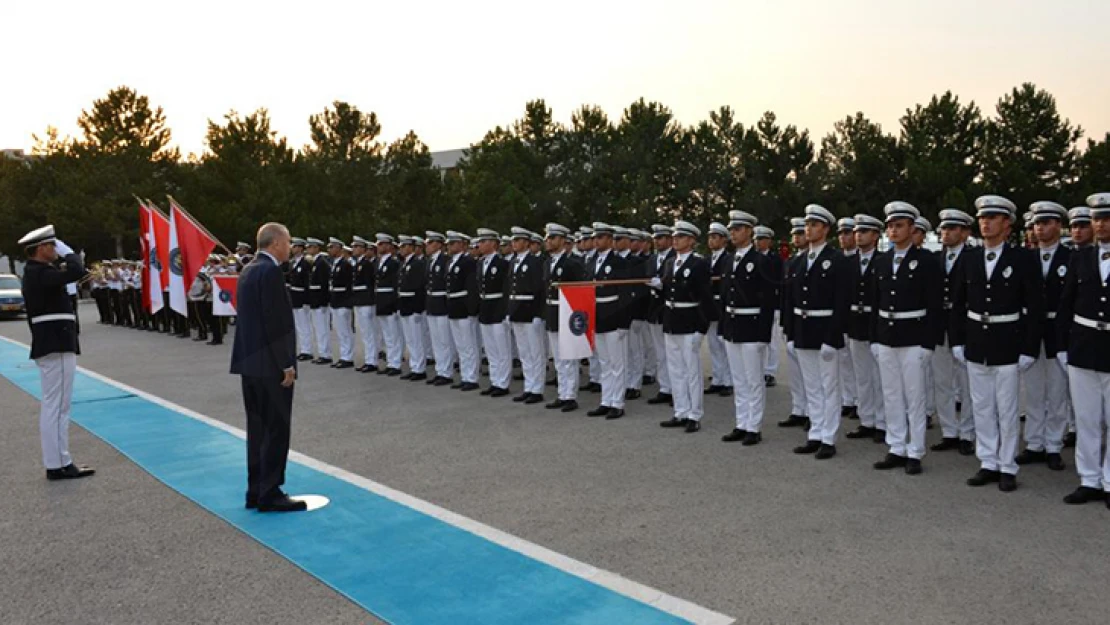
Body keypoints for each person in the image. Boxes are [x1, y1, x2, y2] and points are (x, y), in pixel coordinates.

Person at [951, 195, 1043, 493]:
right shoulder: (970, 258)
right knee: (982, 406)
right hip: (977, 340)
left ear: (1007, 224)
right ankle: (987, 461)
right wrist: (957, 340)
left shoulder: (1023, 259)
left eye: (993, 218)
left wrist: (1029, 348)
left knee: (1007, 407)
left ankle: (1007, 465)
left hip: (1007, 342)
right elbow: (958, 304)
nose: (986, 223)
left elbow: (1035, 307)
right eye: (982, 218)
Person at [230, 223, 305, 513]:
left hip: (250, 363)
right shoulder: (271, 272)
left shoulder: (248, 269)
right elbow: (275, 323)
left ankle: (256, 488)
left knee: (258, 428)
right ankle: (270, 491)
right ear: (275, 244)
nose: (289, 247)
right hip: (270, 365)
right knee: (276, 428)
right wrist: (286, 363)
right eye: (287, 242)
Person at [869, 202, 943, 476]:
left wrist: (928, 343)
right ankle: (896, 446)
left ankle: (915, 450)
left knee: (915, 397)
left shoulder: (927, 261)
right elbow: (876, 303)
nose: (893, 230)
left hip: (913, 337)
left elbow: (934, 305)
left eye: (899, 225)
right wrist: (874, 338)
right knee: (891, 394)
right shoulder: (882, 261)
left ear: (912, 229)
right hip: (887, 337)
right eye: (890, 226)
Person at [19, 225, 94, 480]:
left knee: (57, 404)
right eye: (52, 246)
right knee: (57, 405)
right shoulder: (38, 272)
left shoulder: (40, 272)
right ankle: (58, 463)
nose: (55, 251)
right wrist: (69, 251)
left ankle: (59, 461)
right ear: (41, 248)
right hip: (56, 343)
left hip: (54, 341)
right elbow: (76, 270)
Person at [782, 205, 850, 459]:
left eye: (814, 225)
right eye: (807, 224)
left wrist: (833, 337)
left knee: (829, 387)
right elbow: (790, 300)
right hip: (803, 330)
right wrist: (790, 333)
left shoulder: (837, 260)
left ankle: (828, 438)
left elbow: (841, 302)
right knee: (812, 386)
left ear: (825, 229)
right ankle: (816, 432)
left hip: (825, 330)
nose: (808, 229)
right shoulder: (798, 261)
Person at [1057, 192, 1110, 507]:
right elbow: (1067, 303)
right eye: (1097, 219)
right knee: (1088, 418)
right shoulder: (1081, 257)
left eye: (1106, 219)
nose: (1101, 225)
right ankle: (1089, 479)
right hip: (1083, 345)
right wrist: (1063, 346)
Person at [1017, 201, 1070, 471]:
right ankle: (1034, 443)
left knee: (1057, 393)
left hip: (1056, 330)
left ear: (1059, 226)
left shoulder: (1070, 257)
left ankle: (1053, 445)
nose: (1040, 228)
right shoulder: (1025, 257)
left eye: (1047, 223)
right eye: (1037, 224)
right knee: (1034, 391)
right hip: (1030, 330)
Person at [719, 211, 776, 445]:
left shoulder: (761, 261)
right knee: (739, 379)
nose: (733, 233)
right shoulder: (729, 260)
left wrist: (764, 334)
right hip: (733, 325)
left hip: (752, 325)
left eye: (738, 229)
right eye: (731, 230)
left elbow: (768, 300)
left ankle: (754, 426)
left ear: (750, 231)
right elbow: (724, 297)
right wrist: (724, 328)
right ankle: (741, 422)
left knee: (753, 379)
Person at [658, 220, 713, 432]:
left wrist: (701, 329)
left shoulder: (699, 264)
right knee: (675, 370)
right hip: (672, 320)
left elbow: (705, 299)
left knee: (692, 371)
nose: (675, 240)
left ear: (691, 240)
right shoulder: (671, 262)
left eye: (680, 237)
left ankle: (694, 414)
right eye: (675, 237)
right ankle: (680, 411)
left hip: (690, 321)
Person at [931, 209, 976, 455]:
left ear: (965, 232)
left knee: (967, 382)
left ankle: (967, 432)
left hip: (964, 325)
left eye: (952, 229)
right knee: (942, 381)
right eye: (944, 229)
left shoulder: (973, 257)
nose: (946, 233)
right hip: (940, 324)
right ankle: (949, 430)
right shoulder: (935, 258)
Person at [844, 214, 887, 443]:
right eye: (857, 232)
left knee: (879, 376)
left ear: (875, 236)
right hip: (855, 324)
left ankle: (882, 422)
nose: (858, 235)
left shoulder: (883, 260)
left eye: (864, 232)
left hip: (876, 323)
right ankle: (866, 419)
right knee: (862, 376)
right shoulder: (849, 263)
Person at [586, 222, 630, 418]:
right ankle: (606, 399)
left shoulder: (619, 262)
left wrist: (623, 323)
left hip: (614, 315)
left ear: (610, 240)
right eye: (595, 237)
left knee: (617, 363)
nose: (596, 241)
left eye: (601, 237)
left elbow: (626, 294)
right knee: (604, 362)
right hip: (597, 315)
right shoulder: (591, 261)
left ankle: (617, 403)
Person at [543, 223, 586, 412]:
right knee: (559, 359)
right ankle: (562, 393)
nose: (548, 242)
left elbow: (579, 292)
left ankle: (570, 395)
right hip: (552, 312)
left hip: (566, 313)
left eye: (552, 238)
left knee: (569, 357)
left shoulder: (572, 263)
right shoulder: (548, 262)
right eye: (547, 238)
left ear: (561, 240)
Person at [508, 227, 546, 403]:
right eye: (513, 241)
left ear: (526, 242)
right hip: (517, 310)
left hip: (530, 311)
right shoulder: (514, 261)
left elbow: (540, 289)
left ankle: (537, 389)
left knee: (535, 352)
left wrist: (539, 314)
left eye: (517, 240)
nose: (514, 244)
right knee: (524, 353)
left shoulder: (534, 262)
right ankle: (528, 386)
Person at [476, 229, 511, 396]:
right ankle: (495, 380)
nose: (480, 245)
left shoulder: (502, 264)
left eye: (484, 242)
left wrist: (505, 312)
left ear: (493, 244)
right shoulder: (481, 262)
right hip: (485, 307)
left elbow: (506, 289)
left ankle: (503, 383)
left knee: (501, 348)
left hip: (497, 307)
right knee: (490, 349)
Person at [704, 222, 733, 397]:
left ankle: (728, 381)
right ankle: (717, 378)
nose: (711, 241)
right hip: (710, 305)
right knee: (713, 344)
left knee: (724, 343)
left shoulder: (728, 259)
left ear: (724, 240)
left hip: (722, 303)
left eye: (715, 237)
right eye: (710, 237)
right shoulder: (707, 260)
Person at [286, 237, 314, 362]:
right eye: (293, 246)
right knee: (298, 325)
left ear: (301, 249)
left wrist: (307, 300)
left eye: (296, 246)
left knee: (305, 325)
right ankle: (302, 349)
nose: (293, 248)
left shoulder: (306, 263)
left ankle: (307, 350)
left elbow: (307, 282)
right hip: (294, 297)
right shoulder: (292, 262)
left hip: (302, 298)